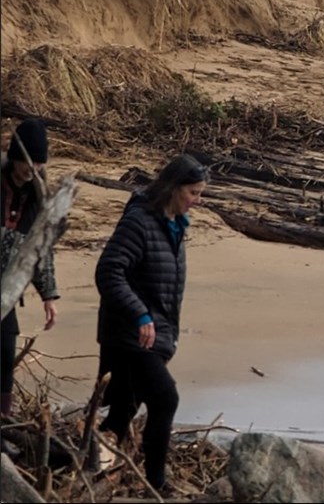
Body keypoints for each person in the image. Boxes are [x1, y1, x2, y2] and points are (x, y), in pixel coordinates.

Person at [95, 154, 208, 492]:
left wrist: (166, 337)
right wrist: (140, 315)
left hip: (153, 336)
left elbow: (166, 289)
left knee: (122, 412)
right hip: (128, 335)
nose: (198, 201)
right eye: (193, 193)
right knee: (164, 398)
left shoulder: (174, 226)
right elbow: (108, 272)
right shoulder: (139, 222)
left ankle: (88, 470)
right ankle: (156, 485)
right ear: (173, 189)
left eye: (201, 193)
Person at [0, 119, 59, 420]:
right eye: (28, 161)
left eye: (38, 162)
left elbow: (41, 247)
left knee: (4, 356)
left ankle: (3, 425)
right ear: (15, 157)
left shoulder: (38, 195)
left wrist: (48, 294)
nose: (32, 168)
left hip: (8, 290)